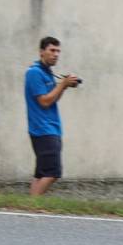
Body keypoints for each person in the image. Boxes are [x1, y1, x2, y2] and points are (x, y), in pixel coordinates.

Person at [24, 36, 80, 196]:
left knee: (41, 174)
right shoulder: (34, 73)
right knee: (53, 172)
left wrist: (64, 87)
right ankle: (33, 204)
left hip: (49, 128)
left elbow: (52, 98)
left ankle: (30, 206)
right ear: (42, 52)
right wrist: (62, 84)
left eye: (58, 51)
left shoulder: (46, 72)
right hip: (43, 129)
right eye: (52, 50)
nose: (56, 54)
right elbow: (44, 101)